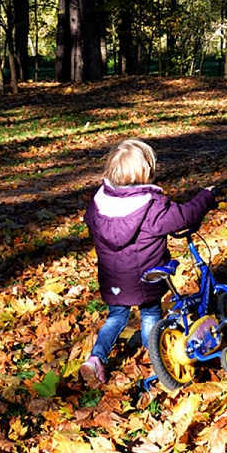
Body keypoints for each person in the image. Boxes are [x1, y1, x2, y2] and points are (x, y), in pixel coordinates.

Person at [79, 139, 217, 385]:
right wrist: (206, 196)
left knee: (116, 317)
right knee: (151, 314)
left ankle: (96, 358)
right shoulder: (152, 207)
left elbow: (89, 221)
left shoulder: (99, 202)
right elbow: (186, 215)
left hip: (113, 278)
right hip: (145, 277)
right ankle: (158, 362)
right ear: (146, 172)